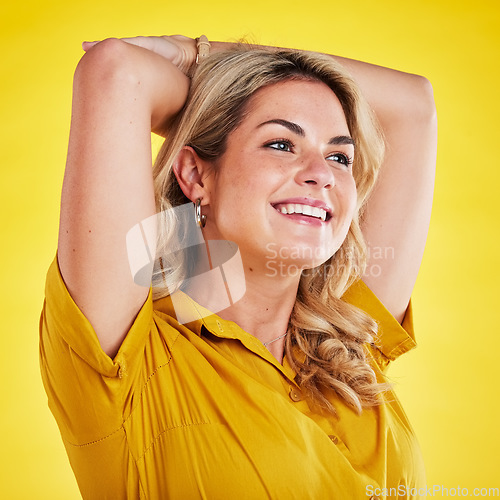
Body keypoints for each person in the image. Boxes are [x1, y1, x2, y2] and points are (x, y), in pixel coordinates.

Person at [39, 34, 437, 499]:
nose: (322, 173)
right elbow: (117, 70)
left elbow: (413, 106)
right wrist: (220, 82)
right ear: (194, 174)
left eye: (339, 156)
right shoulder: (133, 359)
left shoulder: (351, 352)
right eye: (281, 144)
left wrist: (199, 56)